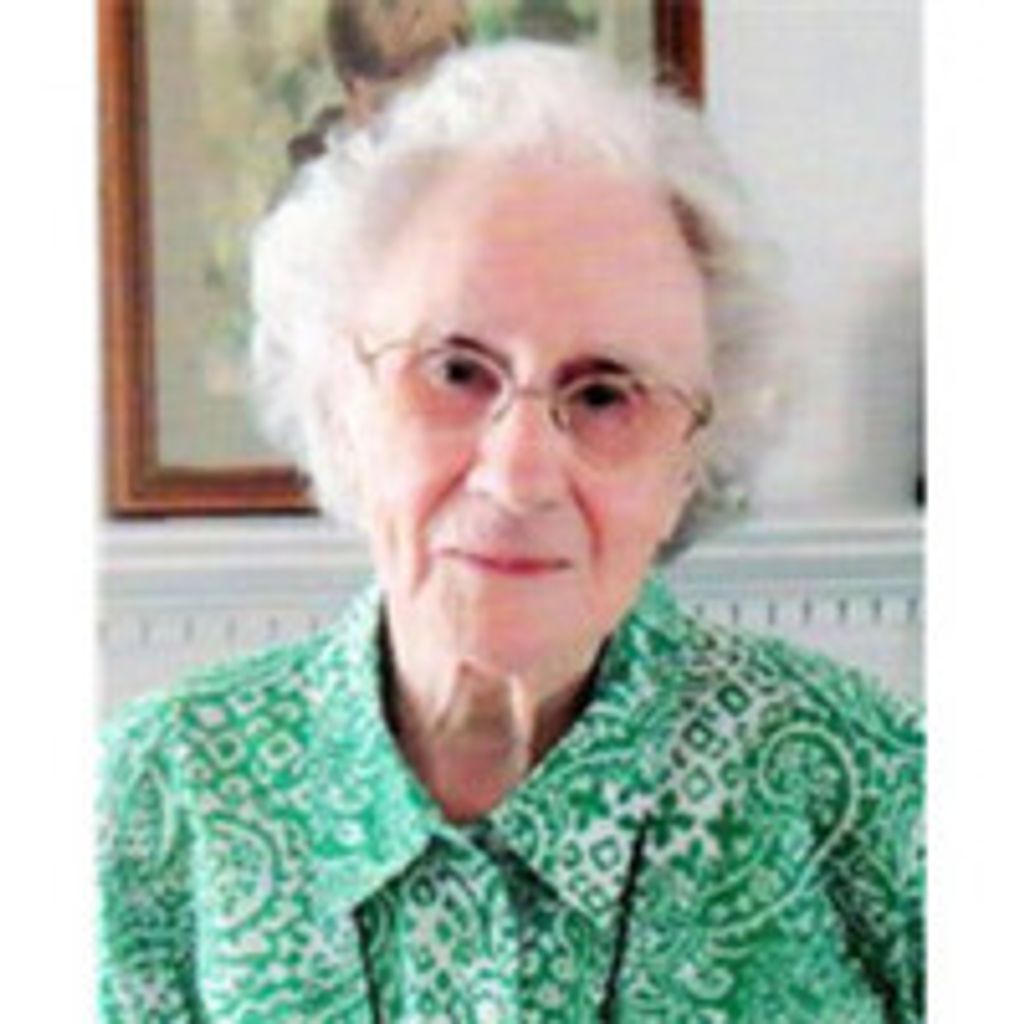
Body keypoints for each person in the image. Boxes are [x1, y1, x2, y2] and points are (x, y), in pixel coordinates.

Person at [98, 42, 924, 1022]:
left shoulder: (879, 794)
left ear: (690, 463)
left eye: (606, 393)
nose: (518, 472)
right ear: (338, 407)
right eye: (455, 371)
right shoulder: (155, 804)